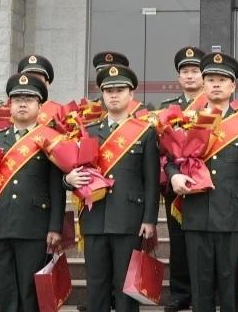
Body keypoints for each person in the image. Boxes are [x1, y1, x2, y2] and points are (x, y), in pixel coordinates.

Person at [0, 73, 67, 312]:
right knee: (5, 290)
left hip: (35, 226)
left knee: (29, 292)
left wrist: (55, 227)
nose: (22, 104)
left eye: (28, 99)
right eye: (17, 100)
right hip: (0, 225)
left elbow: (56, 186)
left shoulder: (50, 139)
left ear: (39, 105)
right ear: (10, 105)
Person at [165, 52, 238, 312]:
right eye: (210, 79)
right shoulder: (187, 121)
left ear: (233, 86)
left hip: (233, 217)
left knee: (231, 289)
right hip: (196, 214)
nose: (216, 84)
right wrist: (174, 174)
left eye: (222, 80)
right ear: (203, 84)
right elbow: (172, 159)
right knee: (201, 288)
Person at [66, 65, 159, 312]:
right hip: (94, 217)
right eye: (109, 91)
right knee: (96, 285)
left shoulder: (145, 133)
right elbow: (72, 171)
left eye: (120, 90)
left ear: (131, 94)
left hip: (129, 219)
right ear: (103, 95)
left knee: (125, 287)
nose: (114, 95)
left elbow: (151, 180)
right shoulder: (88, 132)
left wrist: (149, 219)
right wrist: (68, 180)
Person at [158, 46, 207, 312]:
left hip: (205, 185)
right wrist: (172, 174)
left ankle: (207, 291)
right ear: (179, 77)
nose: (190, 76)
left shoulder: (213, 106)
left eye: (194, 71)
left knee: (205, 244)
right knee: (178, 241)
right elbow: (162, 151)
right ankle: (180, 293)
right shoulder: (168, 109)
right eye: (185, 71)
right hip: (175, 185)